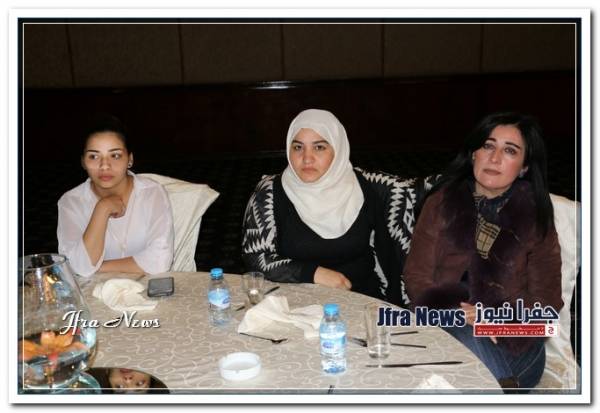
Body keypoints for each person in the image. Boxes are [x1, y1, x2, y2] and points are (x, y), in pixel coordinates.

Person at [403, 112, 563, 391]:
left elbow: (547, 299)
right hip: (448, 322)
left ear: (524, 167)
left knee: (471, 342)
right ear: (473, 153)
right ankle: (502, 392)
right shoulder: (441, 203)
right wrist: (455, 312)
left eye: (510, 151)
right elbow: (416, 276)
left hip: (516, 341)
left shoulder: (535, 216)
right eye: (488, 146)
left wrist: (495, 320)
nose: (495, 158)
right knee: (463, 332)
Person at [241, 109, 434, 306]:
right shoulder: (270, 192)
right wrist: (313, 273)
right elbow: (256, 258)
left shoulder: (369, 186)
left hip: (363, 301)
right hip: (296, 303)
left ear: (338, 149)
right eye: (298, 147)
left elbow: (428, 188)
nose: (307, 158)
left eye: (319, 147)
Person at [57, 115, 174, 277]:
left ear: (130, 159)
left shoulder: (151, 192)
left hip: (147, 286)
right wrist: (102, 209)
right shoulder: (71, 202)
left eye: (115, 155)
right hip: (95, 290)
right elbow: (77, 266)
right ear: (83, 162)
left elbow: (160, 260)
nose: (105, 165)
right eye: (94, 156)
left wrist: (98, 267)